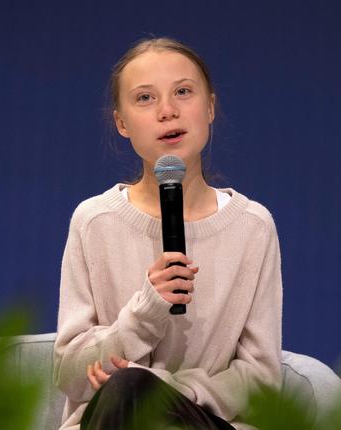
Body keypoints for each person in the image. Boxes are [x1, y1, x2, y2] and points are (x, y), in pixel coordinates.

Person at [53, 37, 283, 430]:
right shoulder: (94, 221)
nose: (167, 111)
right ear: (121, 123)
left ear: (209, 107)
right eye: (145, 98)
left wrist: (168, 391)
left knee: (135, 392)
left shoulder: (253, 227)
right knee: (126, 394)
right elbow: (70, 372)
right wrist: (143, 314)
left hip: (202, 419)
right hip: (112, 417)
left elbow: (262, 379)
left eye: (182, 92)